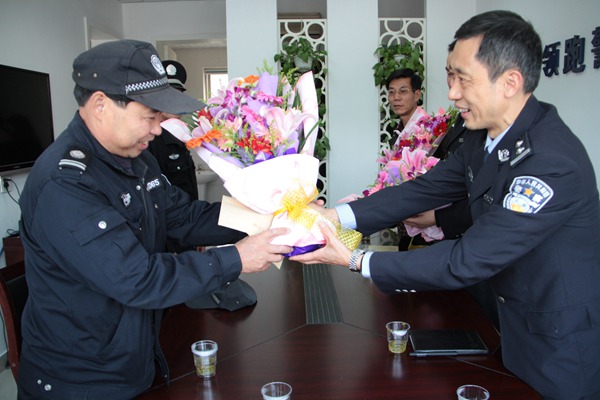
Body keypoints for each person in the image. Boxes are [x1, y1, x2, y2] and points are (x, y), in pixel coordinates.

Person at [292, 10, 600, 400]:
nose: (452, 92)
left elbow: (468, 258)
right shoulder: (481, 136)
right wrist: (334, 216)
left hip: (557, 345)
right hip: (506, 323)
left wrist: (356, 259)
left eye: (462, 79)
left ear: (510, 82)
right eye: (450, 76)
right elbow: (424, 189)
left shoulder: (550, 162)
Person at [17, 39, 292, 399]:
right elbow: (136, 278)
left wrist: (265, 215)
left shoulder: (137, 159)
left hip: (137, 356)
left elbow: (184, 217)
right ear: (100, 105)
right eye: (150, 116)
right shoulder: (65, 183)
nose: (158, 130)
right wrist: (238, 258)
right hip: (82, 380)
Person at [385, 68, 428, 148]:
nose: (396, 97)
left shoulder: (430, 129)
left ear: (417, 95)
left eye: (403, 91)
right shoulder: (396, 131)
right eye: (391, 92)